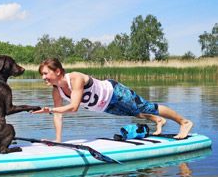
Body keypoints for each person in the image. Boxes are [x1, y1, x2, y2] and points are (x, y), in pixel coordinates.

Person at [32, 58, 193, 142]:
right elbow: (58, 115)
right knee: (135, 112)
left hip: (114, 92)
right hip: (104, 107)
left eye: (45, 73)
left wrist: (50, 109)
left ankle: (184, 122)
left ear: (58, 71)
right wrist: (58, 139)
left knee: (146, 106)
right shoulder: (56, 91)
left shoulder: (75, 78)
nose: (43, 77)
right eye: (42, 74)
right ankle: (158, 120)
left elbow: (74, 107)